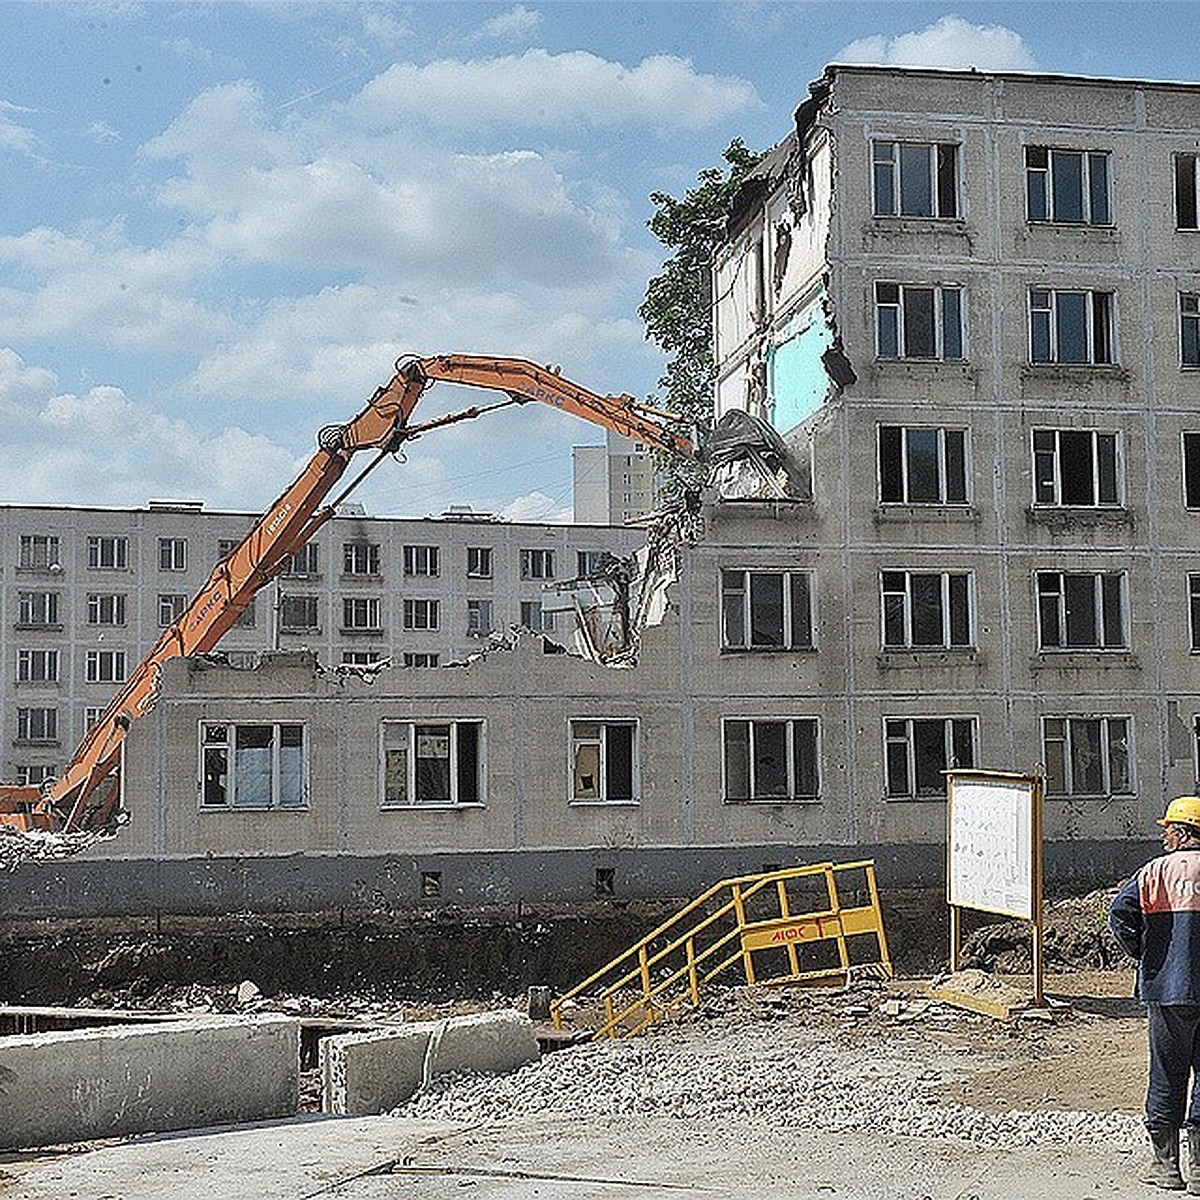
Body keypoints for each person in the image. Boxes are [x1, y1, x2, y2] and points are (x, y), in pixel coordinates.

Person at [1110, 795, 1200, 1192]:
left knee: (1166, 1073)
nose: (1164, 835)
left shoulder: (1151, 873)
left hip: (1167, 989)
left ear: (1182, 833)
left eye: (1167, 829)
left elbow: (1119, 915)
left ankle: (1166, 1167)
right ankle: (1199, 1171)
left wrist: (1147, 955)